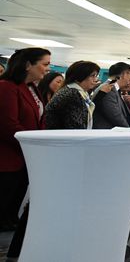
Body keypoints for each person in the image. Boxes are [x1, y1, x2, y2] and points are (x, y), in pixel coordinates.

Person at [0, 47, 50, 257]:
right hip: (8, 160)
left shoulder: (31, 88)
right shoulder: (6, 87)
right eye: (44, 64)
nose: (47, 69)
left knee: (10, 209)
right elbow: (7, 125)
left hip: (24, 159)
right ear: (28, 64)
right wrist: (33, 144)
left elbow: (39, 120)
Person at [44, 61, 102, 129]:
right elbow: (75, 126)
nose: (96, 79)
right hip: (58, 134)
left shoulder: (78, 92)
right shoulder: (72, 94)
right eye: (92, 76)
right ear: (79, 77)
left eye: (96, 76)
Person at [93, 62, 130, 129]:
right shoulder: (109, 89)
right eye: (129, 74)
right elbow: (115, 116)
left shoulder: (114, 89)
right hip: (105, 132)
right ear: (123, 75)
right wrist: (129, 130)